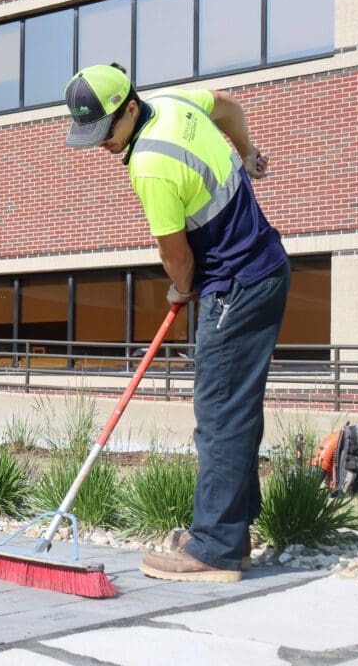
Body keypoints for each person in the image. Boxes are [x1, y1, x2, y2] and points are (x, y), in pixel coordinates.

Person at [63, 64, 289, 582]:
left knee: (219, 414)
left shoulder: (148, 164)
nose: (101, 145)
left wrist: (180, 290)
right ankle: (233, 531)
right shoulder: (175, 103)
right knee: (236, 409)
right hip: (266, 268)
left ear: (130, 108)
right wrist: (247, 152)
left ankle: (212, 548)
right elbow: (229, 107)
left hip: (235, 285)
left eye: (106, 131)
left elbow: (176, 256)